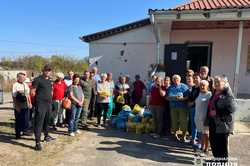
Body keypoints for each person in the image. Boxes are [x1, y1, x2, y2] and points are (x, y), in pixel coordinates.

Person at [207, 76, 235, 162]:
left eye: (218, 82)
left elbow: (232, 109)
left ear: (224, 83)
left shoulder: (227, 93)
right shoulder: (215, 91)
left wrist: (217, 112)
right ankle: (216, 160)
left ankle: (222, 162)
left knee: (221, 144)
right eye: (215, 82)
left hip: (222, 123)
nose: (216, 84)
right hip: (213, 122)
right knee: (213, 142)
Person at [31, 64, 55, 151]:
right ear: (43, 70)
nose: (48, 72)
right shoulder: (37, 80)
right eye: (46, 70)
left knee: (47, 121)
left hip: (48, 104)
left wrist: (51, 100)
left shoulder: (50, 80)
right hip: (40, 104)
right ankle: (37, 142)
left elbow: (51, 91)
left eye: (49, 70)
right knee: (39, 123)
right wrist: (36, 102)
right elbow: (32, 92)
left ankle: (46, 136)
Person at [166, 74, 189, 141]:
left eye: (177, 79)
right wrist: (173, 97)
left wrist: (183, 99)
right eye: (174, 79)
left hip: (183, 107)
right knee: (174, 121)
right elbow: (167, 97)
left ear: (180, 79)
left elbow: (188, 96)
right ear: (172, 80)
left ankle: (183, 136)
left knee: (183, 122)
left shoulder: (184, 86)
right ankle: (175, 135)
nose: (176, 80)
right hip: (173, 107)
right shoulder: (170, 87)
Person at [12, 72, 32, 139]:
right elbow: (14, 97)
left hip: (25, 104)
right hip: (18, 104)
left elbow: (28, 95)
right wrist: (16, 106)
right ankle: (18, 133)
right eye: (22, 77)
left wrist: (30, 103)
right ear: (18, 78)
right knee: (18, 119)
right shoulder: (15, 85)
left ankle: (25, 131)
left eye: (24, 77)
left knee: (26, 119)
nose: (23, 79)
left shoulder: (25, 85)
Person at [195, 80, 212, 156]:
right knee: (201, 133)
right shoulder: (199, 93)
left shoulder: (209, 94)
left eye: (203, 85)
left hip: (205, 118)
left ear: (207, 86)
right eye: (201, 85)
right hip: (198, 117)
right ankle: (202, 147)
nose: (202, 86)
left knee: (206, 134)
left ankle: (206, 148)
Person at [188, 73, 201, 145]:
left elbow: (200, 98)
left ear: (200, 79)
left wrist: (193, 103)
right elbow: (191, 97)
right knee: (193, 124)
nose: (195, 79)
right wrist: (189, 102)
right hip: (192, 108)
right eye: (194, 78)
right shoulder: (193, 87)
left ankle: (198, 140)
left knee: (197, 124)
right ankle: (193, 139)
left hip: (198, 108)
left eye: (197, 78)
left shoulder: (201, 87)